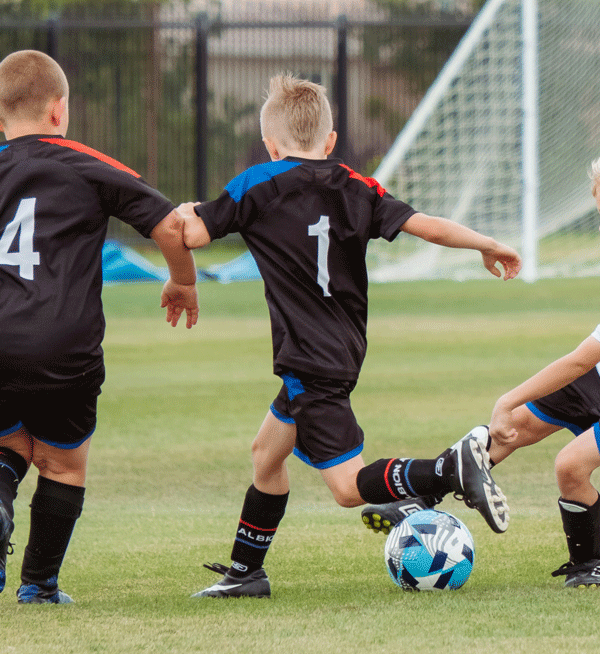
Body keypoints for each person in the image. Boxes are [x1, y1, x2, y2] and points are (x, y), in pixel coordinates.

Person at [179, 73, 521, 599]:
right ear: (331, 142)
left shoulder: (257, 183)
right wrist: (487, 243)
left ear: (270, 146)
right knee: (266, 455)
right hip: (341, 348)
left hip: (306, 358)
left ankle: (447, 469)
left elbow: (195, 233)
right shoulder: (356, 186)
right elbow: (424, 224)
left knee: (345, 489)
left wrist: (181, 214)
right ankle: (246, 572)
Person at [362, 150, 600, 588]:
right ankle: (422, 498)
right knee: (520, 426)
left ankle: (589, 566)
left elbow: (578, 360)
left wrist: (507, 398)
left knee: (569, 466)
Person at [0, 50, 199, 604]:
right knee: (62, 463)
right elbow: (169, 225)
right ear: (60, 110)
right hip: (64, 342)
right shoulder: (87, 163)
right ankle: (38, 586)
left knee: (8, 442)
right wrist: (182, 281)